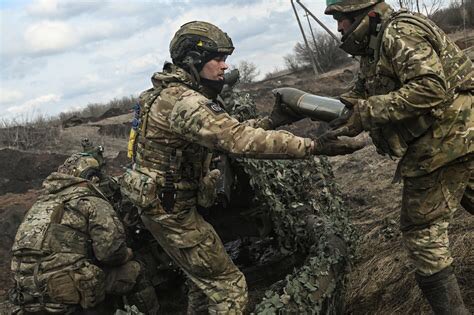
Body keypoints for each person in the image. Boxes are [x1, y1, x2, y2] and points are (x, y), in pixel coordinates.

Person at [121, 20, 364, 314]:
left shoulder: (164, 94)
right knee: (229, 289)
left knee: (202, 284)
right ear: (193, 61)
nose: (224, 67)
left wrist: (272, 122)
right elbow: (237, 140)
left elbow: (226, 133)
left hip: (162, 207)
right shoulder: (184, 102)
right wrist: (312, 146)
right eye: (218, 59)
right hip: (173, 213)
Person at [322, 0, 473, 313]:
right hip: (458, 136)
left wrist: (366, 112)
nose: (339, 28)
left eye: (342, 19)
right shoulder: (374, 45)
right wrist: (340, 114)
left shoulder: (398, 32)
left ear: (365, 14)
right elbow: (364, 93)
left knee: (422, 235)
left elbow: (431, 89)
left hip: (445, 141)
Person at [10, 145, 159, 314]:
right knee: (136, 269)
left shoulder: (39, 205)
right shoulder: (90, 200)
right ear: (91, 177)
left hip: (26, 292)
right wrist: (129, 253)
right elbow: (110, 253)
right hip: (66, 291)